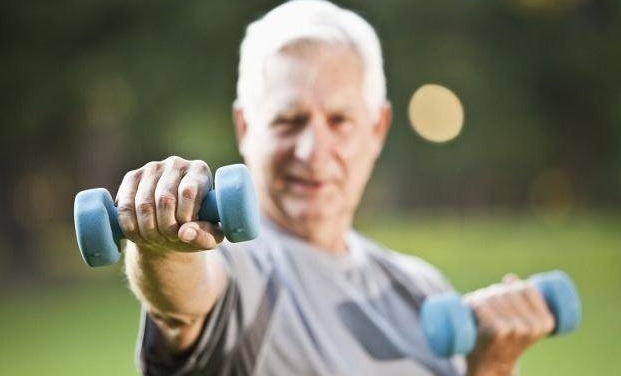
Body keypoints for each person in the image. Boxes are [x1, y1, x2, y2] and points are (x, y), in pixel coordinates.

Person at [120, 1, 555, 375]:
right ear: (245, 127)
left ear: (377, 129)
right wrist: (162, 249)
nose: (312, 151)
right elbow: (183, 305)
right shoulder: (237, 265)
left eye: (339, 121)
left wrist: (489, 369)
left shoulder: (423, 289)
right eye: (289, 121)